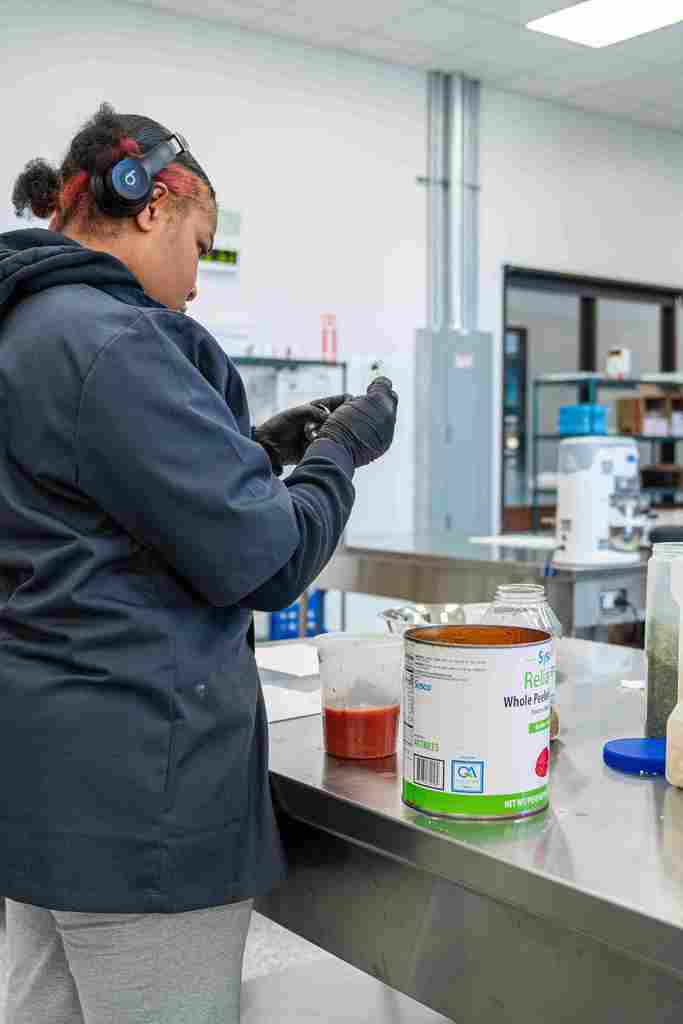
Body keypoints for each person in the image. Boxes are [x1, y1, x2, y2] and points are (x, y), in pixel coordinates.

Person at [0, 102, 398, 1024]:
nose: (198, 281)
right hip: (140, 788)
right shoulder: (118, 337)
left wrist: (253, 451)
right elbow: (267, 560)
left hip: (42, 771)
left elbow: (89, 510)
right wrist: (339, 455)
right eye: (203, 244)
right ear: (154, 204)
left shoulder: (25, 328)